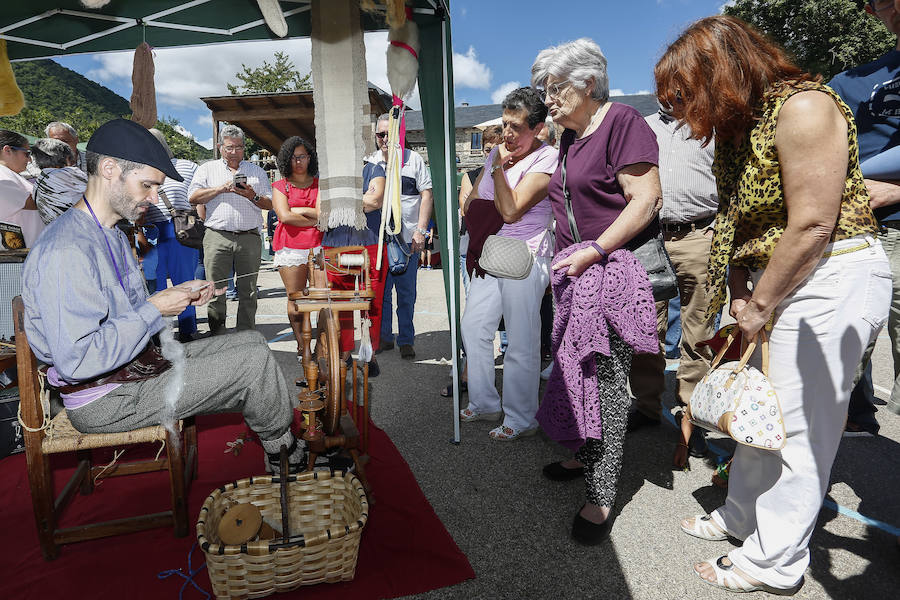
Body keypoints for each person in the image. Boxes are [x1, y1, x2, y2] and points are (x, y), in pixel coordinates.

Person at [656, 16, 889, 593]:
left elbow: (812, 223)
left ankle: (776, 561)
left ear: (722, 75)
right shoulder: (740, 130)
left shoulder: (804, 107)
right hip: (777, 279)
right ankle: (742, 517)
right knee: (759, 416)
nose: (683, 116)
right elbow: (736, 218)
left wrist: (757, 302)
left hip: (830, 274)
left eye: (686, 98)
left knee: (802, 432)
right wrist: (740, 290)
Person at [20, 119, 348, 475]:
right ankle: (286, 455)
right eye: (147, 185)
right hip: (106, 398)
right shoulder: (67, 249)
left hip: (129, 370)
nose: (154, 198)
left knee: (252, 343)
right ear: (109, 169)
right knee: (250, 366)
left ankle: (282, 443)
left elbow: (122, 314)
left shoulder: (110, 233)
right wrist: (154, 308)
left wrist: (173, 295)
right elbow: (78, 360)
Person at [531, 38, 663, 544]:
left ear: (588, 83)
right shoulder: (568, 136)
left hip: (608, 275)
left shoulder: (622, 121)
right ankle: (585, 453)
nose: (548, 97)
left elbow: (645, 199)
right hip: (574, 275)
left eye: (556, 86)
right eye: (545, 87)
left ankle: (602, 495)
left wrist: (596, 250)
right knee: (572, 373)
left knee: (605, 385)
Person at [459, 87, 559, 440]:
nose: (508, 135)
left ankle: (521, 416)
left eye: (516, 127)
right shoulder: (496, 156)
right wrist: (494, 175)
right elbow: (471, 202)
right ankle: (486, 402)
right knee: (473, 326)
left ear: (538, 128)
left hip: (526, 256)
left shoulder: (547, 159)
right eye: (504, 125)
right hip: (492, 254)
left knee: (521, 340)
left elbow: (511, 209)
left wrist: (499, 170)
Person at [829, 0, 900, 432]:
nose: (890, 7)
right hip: (861, 235)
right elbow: (820, 164)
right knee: (840, 357)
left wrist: (894, 189)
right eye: (879, 1)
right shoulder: (849, 84)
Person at [633, 107, 720, 459]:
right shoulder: (642, 126)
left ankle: (692, 416)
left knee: (698, 331)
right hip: (649, 239)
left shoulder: (712, 125)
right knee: (642, 328)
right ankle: (645, 406)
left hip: (699, 235)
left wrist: (720, 229)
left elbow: (732, 179)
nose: (670, 89)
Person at [188, 124, 273, 335]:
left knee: (249, 290)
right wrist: (221, 189)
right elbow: (193, 197)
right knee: (215, 290)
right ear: (219, 147)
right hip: (217, 236)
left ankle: (246, 335)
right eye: (229, 147)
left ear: (244, 148)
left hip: (249, 237)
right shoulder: (207, 169)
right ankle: (218, 334)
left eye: (238, 147)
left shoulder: (257, 171)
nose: (234, 152)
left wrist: (252, 195)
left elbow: (270, 204)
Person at [440, 125, 504, 398]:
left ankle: (505, 372)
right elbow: (468, 210)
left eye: (496, 146)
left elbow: (510, 211)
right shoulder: (471, 175)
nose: (491, 151)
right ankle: (468, 373)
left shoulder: (513, 174)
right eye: (487, 147)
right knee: (474, 318)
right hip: (474, 251)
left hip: (505, 251)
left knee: (508, 322)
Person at [321, 145, 390, 378]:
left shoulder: (374, 170)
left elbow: (374, 201)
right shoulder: (328, 176)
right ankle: (345, 352)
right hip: (336, 245)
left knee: (372, 302)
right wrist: (358, 200)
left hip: (369, 244)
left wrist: (339, 202)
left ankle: (370, 352)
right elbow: (321, 209)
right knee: (341, 302)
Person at [372, 113, 433, 359]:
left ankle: (406, 340)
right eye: (380, 134)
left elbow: (427, 195)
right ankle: (385, 337)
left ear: (399, 134)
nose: (385, 138)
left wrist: (421, 230)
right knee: (380, 294)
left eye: (389, 133)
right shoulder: (370, 162)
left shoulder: (414, 160)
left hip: (408, 240)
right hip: (377, 241)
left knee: (406, 295)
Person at [144, 128, 202, 342]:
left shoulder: (188, 166)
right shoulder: (141, 169)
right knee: (154, 285)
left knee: (184, 282)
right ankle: (160, 334)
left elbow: (198, 196)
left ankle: (187, 329)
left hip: (180, 229)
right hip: (151, 231)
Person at [270, 136, 324, 361]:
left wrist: (298, 208)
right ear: (285, 160)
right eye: (292, 158)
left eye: (301, 156)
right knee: (296, 302)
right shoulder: (280, 185)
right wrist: (314, 218)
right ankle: (303, 347)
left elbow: (323, 214)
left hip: (319, 246)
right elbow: (284, 216)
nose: (298, 162)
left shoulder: (320, 184)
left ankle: (322, 346)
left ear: (309, 157)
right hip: (290, 249)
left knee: (322, 300)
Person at [0, 130, 43, 247]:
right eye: (27, 154)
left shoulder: (9, 174)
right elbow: (38, 203)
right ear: (7, 150)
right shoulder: (2, 177)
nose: (29, 160)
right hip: (18, 256)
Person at [30, 137, 87, 225]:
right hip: (80, 229)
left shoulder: (39, 181)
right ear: (66, 158)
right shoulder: (70, 174)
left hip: (56, 231)